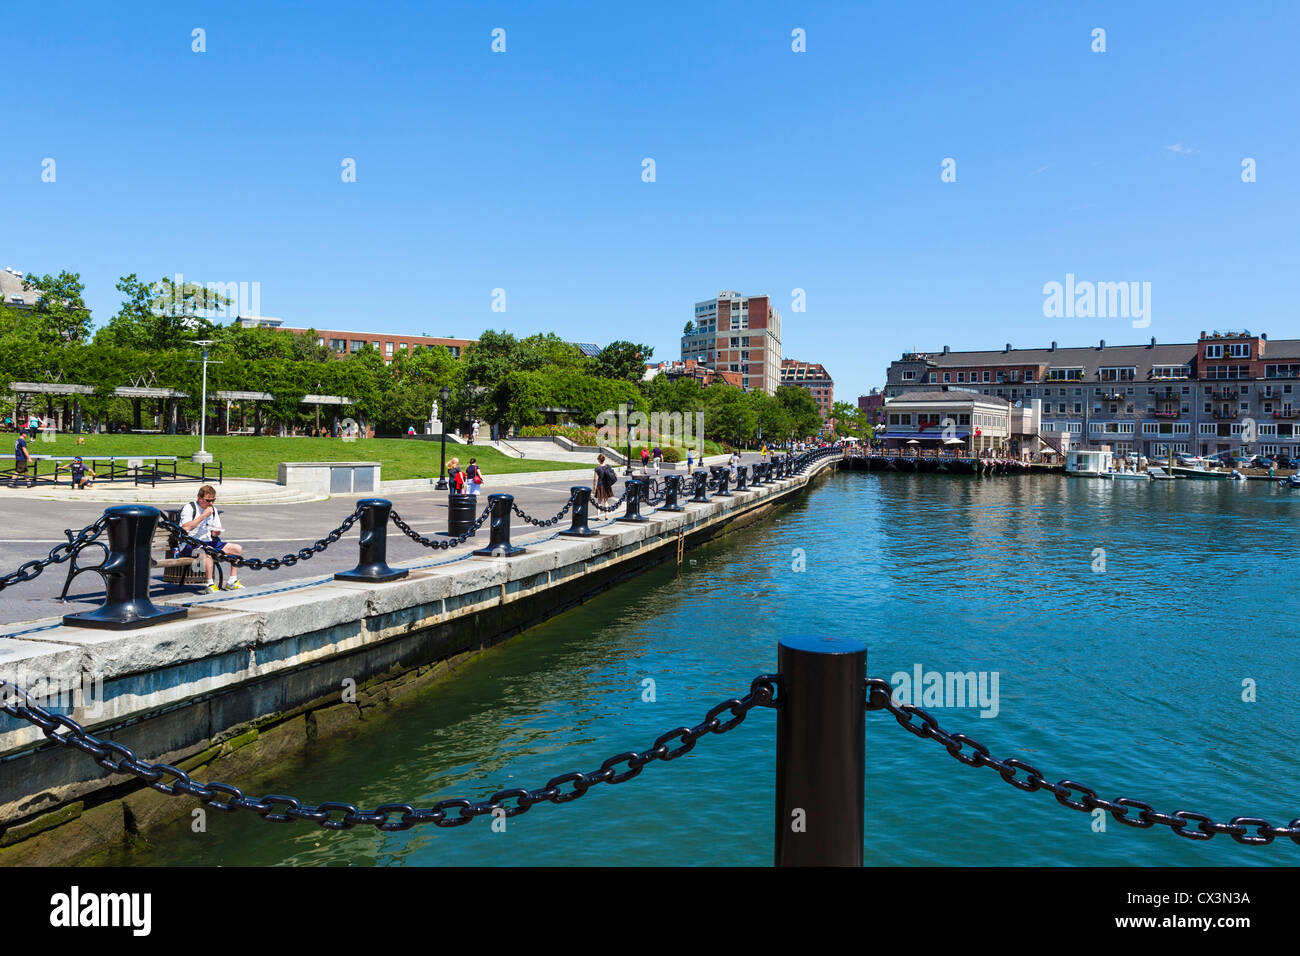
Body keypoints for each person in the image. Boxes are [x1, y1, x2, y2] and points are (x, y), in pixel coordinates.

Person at [178, 486, 245, 591]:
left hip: (208, 541)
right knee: (208, 550)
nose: (211, 503)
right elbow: (185, 527)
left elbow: (215, 530)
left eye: (213, 500)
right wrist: (203, 516)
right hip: (189, 544)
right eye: (208, 500)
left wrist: (216, 532)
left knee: (237, 549)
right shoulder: (189, 508)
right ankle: (210, 584)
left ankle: (232, 581)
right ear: (199, 498)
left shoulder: (213, 509)